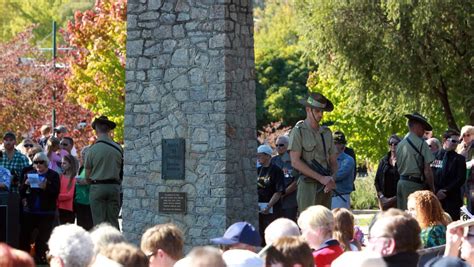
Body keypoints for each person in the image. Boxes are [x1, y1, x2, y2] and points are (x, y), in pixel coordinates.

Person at [288, 92, 337, 211]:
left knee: (326, 224)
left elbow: (334, 162)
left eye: (322, 111)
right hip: (307, 185)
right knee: (309, 224)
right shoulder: (298, 131)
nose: (321, 115)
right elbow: (295, 162)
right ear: (308, 110)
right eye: (317, 111)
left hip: (326, 185)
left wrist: (332, 179)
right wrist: (321, 178)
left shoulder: (326, 133)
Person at [19, 152, 60, 264]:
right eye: (36, 162)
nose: (38, 164)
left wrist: (46, 187)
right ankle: (24, 258)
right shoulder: (29, 174)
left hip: (46, 212)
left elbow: (56, 193)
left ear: (46, 163)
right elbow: (21, 192)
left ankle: (41, 258)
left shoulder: (53, 175)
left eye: (41, 162)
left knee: (43, 238)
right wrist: (25, 184)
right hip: (30, 211)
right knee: (25, 235)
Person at [85, 115, 122, 229]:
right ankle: (117, 246)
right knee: (113, 222)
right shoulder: (118, 148)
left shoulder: (92, 150)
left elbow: (87, 176)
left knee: (99, 224)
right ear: (109, 130)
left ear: (96, 131)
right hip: (114, 187)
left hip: (98, 187)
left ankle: (101, 246)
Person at [396, 112, 435, 210]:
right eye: (423, 128)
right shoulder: (422, 144)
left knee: (403, 217)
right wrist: (432, 187)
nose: (424, 131)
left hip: (401, 183)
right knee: (416, 216)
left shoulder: (400, 144)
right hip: (414, 185)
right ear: (417, 126)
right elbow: (427, 170)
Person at [432, 129, 466, 220]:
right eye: (453, 141)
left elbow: (460, 179)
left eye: (458, 142)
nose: (456, 144)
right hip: (435, 198)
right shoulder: (433, 156)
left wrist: (445, 191)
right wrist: (436, 191)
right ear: (444, 140)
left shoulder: (460, 159)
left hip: (452, 200)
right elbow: (429, 174)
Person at [257, 144, 284, 245]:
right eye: (257, 155)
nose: (258, 158)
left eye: (260, 155)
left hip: (272, 208)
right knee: (260, 234)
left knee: (271, 233)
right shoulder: (257, 170)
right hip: (259, 207)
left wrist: (268, 206)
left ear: (268, 156)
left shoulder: (276, 170)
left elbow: (279, 191)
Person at [271, 135, 298, 222]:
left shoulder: (294, 161)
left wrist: (282, 194)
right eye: (277, 145)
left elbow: (296, 182)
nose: (278, 147)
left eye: (281, 145)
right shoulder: (273, 161)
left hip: (290, 201)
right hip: (275, 202)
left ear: (288, 145)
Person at [374, 134, 401, 210]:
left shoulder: (403, 160)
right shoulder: (383, 161)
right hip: (384, 200)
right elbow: (377, 181)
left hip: (399, 200)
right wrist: (382, 197)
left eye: (395, 143)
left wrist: (394, 199)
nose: (393, 145)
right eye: (390, 143)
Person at [331, 132, 355, 209]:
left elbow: (338, 176)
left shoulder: (348, 160)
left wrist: (323, 178)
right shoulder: (328, 159)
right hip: (329, 196)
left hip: (341, 196)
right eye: (335, 143)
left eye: (340, 143)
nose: (337, 146)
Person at [74, 146, 93, 230]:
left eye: (85, 155)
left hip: (88, 203)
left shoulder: (93, 167)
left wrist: (85, 182)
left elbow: (94, 182)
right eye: (82, 155)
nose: (83, 157)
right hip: (79, 201)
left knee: (89, 228)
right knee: (81, 228)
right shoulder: (82, 168)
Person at [57, 154, 78, 224]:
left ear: (71, 164)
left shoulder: (74, 178)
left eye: (64, 163)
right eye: (61, 163)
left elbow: (69, 195)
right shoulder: (60, 176)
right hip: (59, 207)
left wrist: (56, 196)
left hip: (69, 209)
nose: (62, 165)